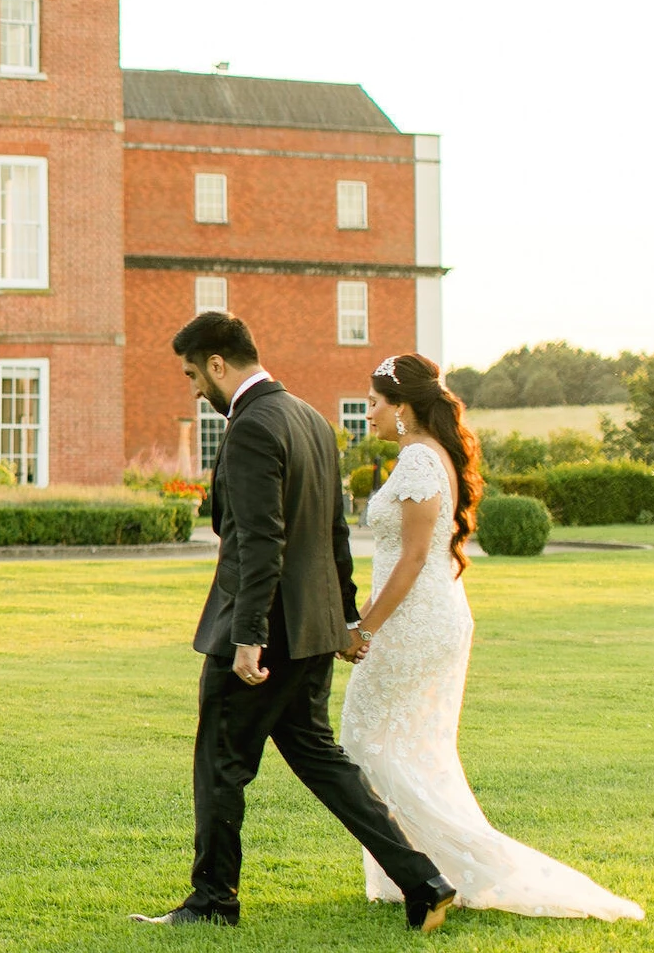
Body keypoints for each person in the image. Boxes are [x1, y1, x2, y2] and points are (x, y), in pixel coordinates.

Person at [133, 312, 457, 930]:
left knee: (220, 759)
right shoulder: (309, 417)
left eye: (193, 374)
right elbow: (332, 532)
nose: (194, 388)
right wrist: (340, 615)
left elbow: (261, 540)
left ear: (219, 364)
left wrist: (249, 636)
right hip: (310, 627)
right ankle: (424, 880)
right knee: (318, 758)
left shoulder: (254, 425)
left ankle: (212, 903)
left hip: (265, 629)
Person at [338, 353, 643, 920]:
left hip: (417, 622)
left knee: (364, 740)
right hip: (423, 615)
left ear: (402, 407)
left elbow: (409, 560)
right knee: (401, 746)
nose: (369, 413)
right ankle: (417, 872)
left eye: (375, 403)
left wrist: (365, 628)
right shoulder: (422, 458)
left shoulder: (419, 463)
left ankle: (469, 865)